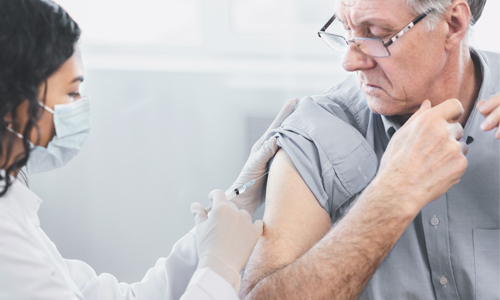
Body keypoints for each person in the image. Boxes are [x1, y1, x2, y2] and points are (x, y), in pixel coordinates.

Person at [0, 0, 297, 299]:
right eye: (71, 91)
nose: (81, 104)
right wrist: (219, 269)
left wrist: (234, 205)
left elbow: (117, 297)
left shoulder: (11, 205)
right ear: (14, 100)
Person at [240, 0, 499, 299]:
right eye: (346, 29)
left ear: (452, 24)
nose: (349, 62)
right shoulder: (316, 136)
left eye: (375, 34)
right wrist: (391, 196)